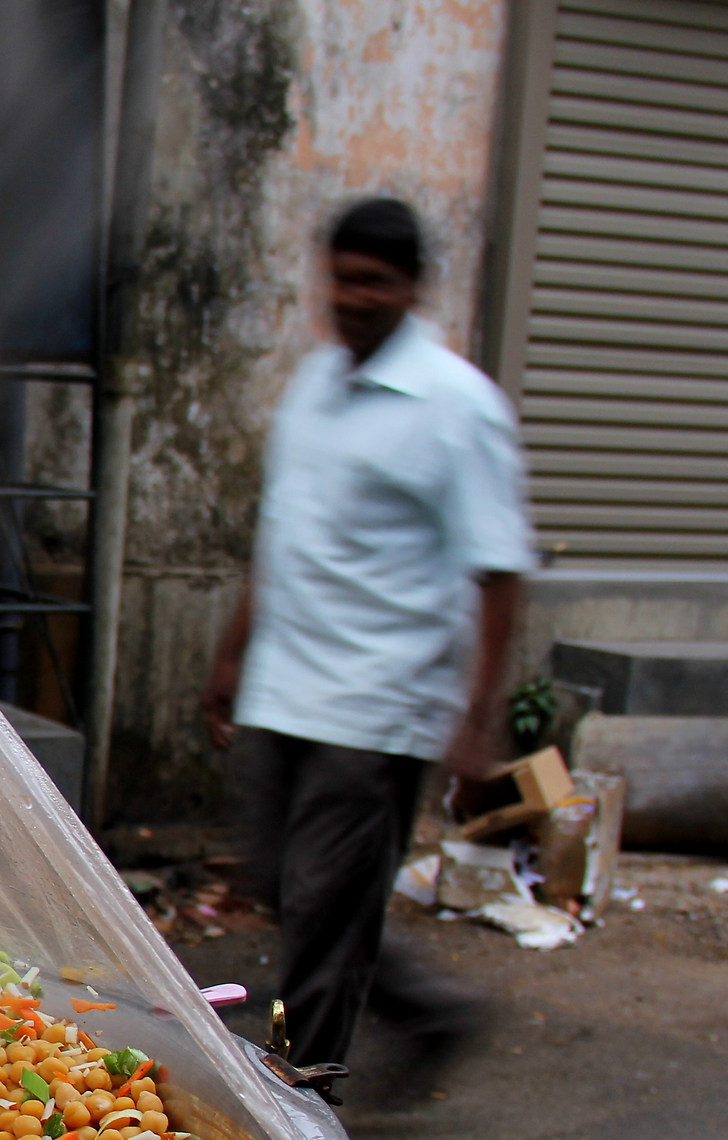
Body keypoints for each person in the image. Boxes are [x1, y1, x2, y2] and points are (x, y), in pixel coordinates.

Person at [201, 197, 532, 1077]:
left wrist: (475, 715)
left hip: (381, 705)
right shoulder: (315, 384)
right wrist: (234, 653)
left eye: (375, 282)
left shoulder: (459, 408)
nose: (353, 296)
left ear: (413, 288)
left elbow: (499, 570)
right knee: (284, 884)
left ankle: (306, 1097)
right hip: (288, 687)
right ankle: (432, 1012)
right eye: (342, 277)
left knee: (321, 908)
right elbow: (284, 536)